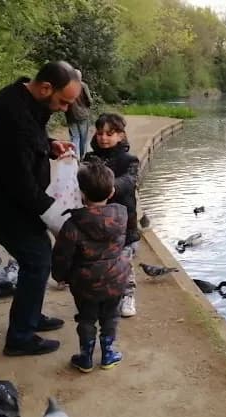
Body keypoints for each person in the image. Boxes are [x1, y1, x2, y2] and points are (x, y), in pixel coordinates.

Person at [0, 61, 81, 356]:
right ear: (46, 88)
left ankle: (30, 318)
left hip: (7, 195)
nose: (64, 108)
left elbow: (26, 144)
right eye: (63, 102)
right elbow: (22, 185)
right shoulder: (12, 118)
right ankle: (20, 338)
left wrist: (49, 145)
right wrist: (61, 218)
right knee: (37, 259)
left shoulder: (24, 98)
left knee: (38, 257)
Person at [51, 158, 130, 372]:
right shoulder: (121, 215)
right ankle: (108, 354)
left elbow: (62, 256)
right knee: (111, 317)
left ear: (81, 193)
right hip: (116, 279)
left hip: (85, 284)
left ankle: (86, 357)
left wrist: (60, 276)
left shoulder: (72, 224)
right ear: (111, 192)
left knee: (86, 319)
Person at [83, 113, 140, 317]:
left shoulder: (129, 160)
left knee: (124, 261)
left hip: (123, 223)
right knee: (100, 260)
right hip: (97, 221)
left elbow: (130, 180)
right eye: (100, 133)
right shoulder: (90, 159)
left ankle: (128, 295)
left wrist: (110, 187)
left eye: (110, 133)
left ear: (121, 135)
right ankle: (105, 295)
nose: (104, 138)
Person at [66, 69, 93, 159]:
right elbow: (89, 100)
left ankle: (75, 157)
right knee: (83, 138)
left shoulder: (67, 86)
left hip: (70, 115)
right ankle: (82, 157)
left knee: (75, 137)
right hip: (83, 115)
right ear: (80, 77)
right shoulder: (83, 86)